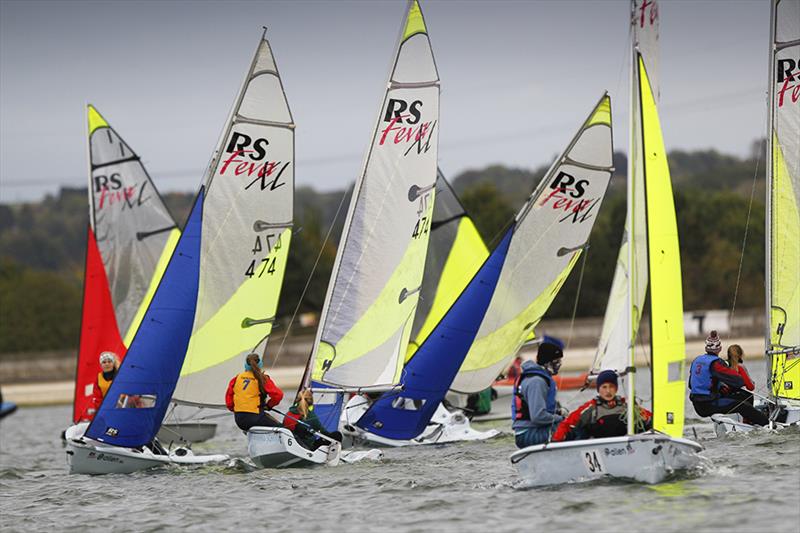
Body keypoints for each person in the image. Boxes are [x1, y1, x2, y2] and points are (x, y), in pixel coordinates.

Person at [689, 331, 768, 426]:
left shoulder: (696, 360)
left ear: (706, 348)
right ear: (720, 349)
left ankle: (749, 422)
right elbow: (738, 381)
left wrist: (720, 388)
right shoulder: (716, 363)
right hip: (709, 404)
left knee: (746, 396)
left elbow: (691, 385)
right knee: (743, 406)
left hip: (697, 405)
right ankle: (768, 425)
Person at [552, 370, 652, 442]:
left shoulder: (626, 407)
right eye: (604, 387)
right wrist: (555, 442)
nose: (608, 391)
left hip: (622, 448)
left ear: (616, 389)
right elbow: (566, 423)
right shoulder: (591, 408)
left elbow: (650, 417)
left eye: (611, 387)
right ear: (598, 390)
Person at [511, 339, 567, 448]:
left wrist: (559, 411)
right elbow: (538, 417)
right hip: (529, 434)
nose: (559, 365)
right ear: (547, 363)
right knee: (573, 428)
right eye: (556, 362)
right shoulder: (537, 382)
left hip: (532, 430)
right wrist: (561, 419)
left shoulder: (537, 378)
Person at [225, 353, 284, 432]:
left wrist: (237, 409)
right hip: (255, 418)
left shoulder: (236, 378)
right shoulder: (262, 379)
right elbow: (278, 395)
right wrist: (269, 406)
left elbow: (229, 403)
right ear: (260, 364)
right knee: (284, 429)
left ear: (246, 365)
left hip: (239, 420)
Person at [86, 351, 120, 419]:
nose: (107, 364)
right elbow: (97, 397)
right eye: (104, 362)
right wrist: (101, 411)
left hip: (120, 407)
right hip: (106, 409)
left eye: (109, 361)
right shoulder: (98, 378)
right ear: (101, 365)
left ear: (113, 363)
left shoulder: (120, 375)